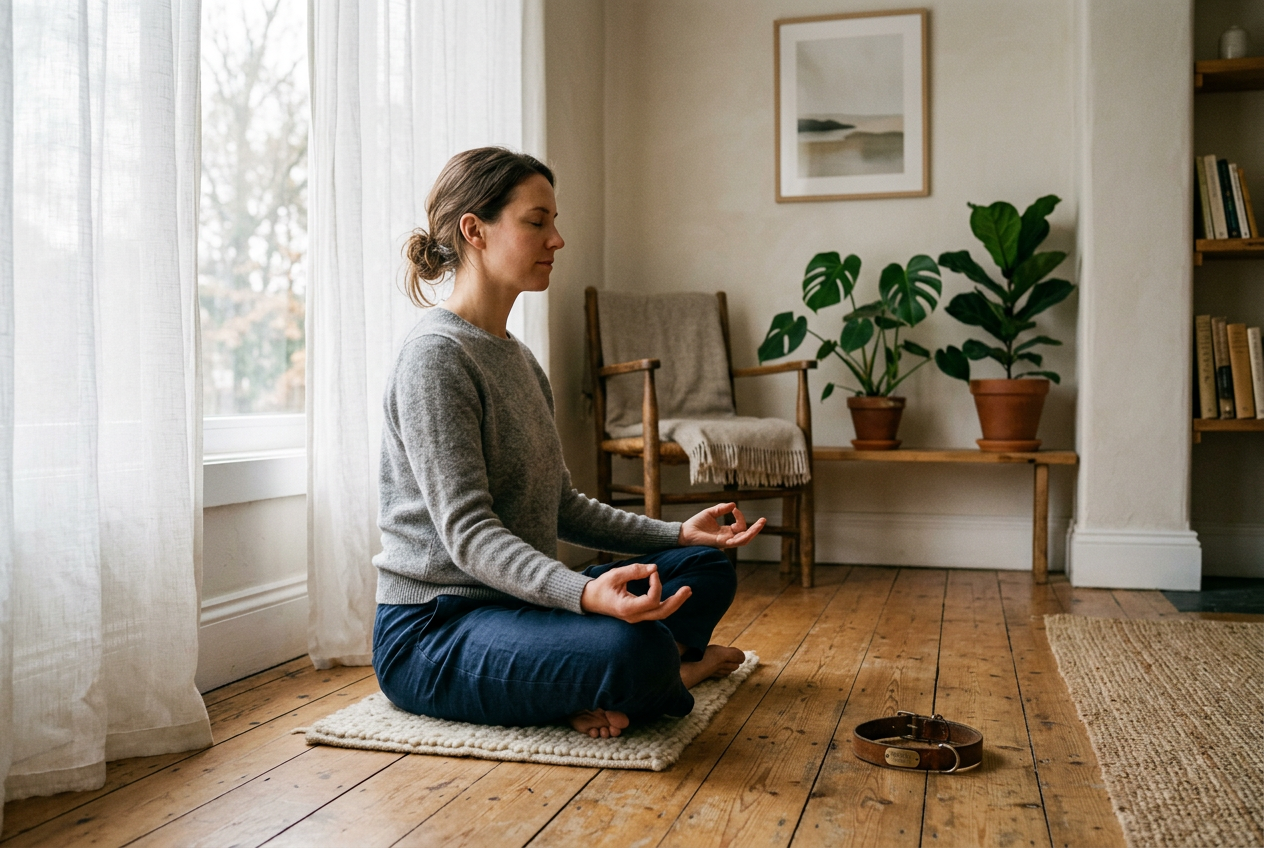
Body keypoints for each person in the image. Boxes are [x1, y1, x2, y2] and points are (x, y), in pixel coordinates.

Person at [372, 147, 764, 738]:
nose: (556, 239)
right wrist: (584, 595)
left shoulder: (522, 362)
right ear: (474, 230)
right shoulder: (436, 358)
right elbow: (469, 535)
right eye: (537, 222)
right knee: (635, 651)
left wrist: (678, 533)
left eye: (553, 222)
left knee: (702, 567)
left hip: (519, 607)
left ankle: (594, 681)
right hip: (435, 630)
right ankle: (671, 674)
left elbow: (560, 505)